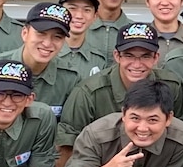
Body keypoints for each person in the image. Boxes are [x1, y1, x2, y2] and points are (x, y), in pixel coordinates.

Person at [59, 21, 170, 154]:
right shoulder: (88, 92)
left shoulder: (170, 86)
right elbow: (67, 144)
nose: (137, 64)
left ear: (156, 58)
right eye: (129, 55)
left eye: (145, 56)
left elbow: (173, 132)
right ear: (117, 56)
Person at [0, 2, 85, 118]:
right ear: (25, 33)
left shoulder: (70, 79)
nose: (47, 43)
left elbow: (68, 127)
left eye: (57, 37)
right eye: (41, 34)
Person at [61, 0, 111, 71]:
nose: (79, 16)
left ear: (95, 16)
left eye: (87, 10)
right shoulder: (47, 52)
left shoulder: (98, 60)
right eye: (72, 8)